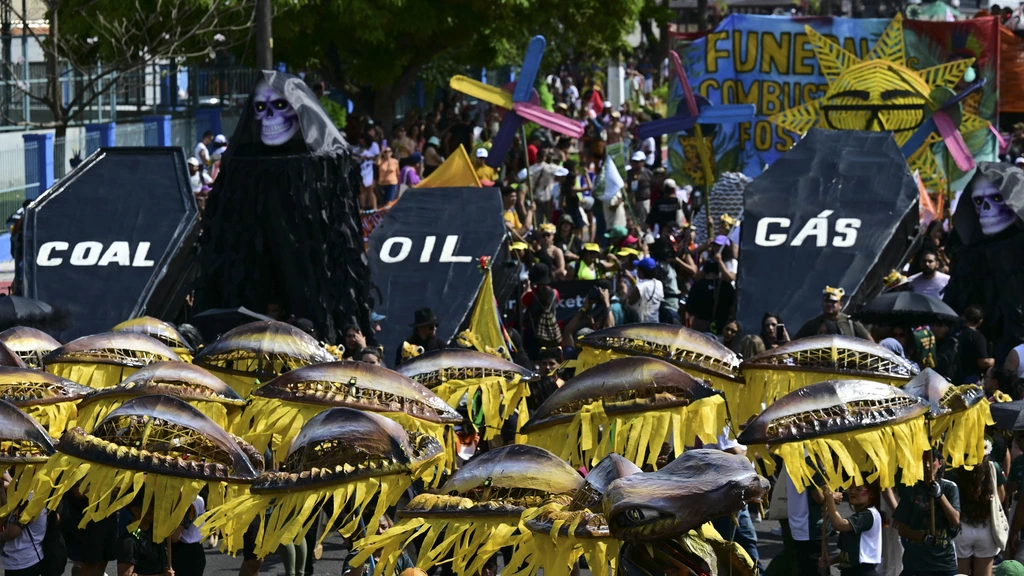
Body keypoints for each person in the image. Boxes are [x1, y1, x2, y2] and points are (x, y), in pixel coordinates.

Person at [893, 451, 961, 576]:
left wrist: (940, 496)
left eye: (931, 460)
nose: (927, 465)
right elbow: (901, 528)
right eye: (923, 461)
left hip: (943, 563)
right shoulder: (911, 488)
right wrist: (922, 537)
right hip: (916, 563)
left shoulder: (950, 487)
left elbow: (955, 520)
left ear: (940, 463)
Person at [950, 456, 1003, 576]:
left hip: (961, 528)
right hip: (986, 528)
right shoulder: (993, 467)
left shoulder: (954, 468)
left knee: (961, 574)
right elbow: (1001, 496)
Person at [820, 482, 883, 576]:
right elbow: (850, 553)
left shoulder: (869, 514)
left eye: (858, 489)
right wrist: (832, 560)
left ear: (871, 494)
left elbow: (839, 525)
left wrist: (829, 497)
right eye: (851, 488)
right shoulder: (858, 516)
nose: (852, 492)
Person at [118, 491, 177, 576]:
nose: (157, 511)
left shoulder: (156, 534)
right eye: (152, 507)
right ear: (136, 510)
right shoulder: (129, 541)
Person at [794, 286, 872, 341]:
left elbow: (871, 345)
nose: (829, 304)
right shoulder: (812, 324)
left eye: (833, 302)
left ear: (840, 305)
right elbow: (794, 344)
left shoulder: (851, 322)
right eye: (826, 301)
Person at [0, 499, 47, 576]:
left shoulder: (29, 501)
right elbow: (7, 515)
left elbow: (11, 534)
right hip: (21, 560)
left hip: (23, 562)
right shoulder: (25, 497)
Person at [959, 305, 995, 384]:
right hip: (969, 378)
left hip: (951, 374)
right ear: (980, 321)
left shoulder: (956, 331)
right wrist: (992, 361)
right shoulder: (977, 337)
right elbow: (982, 362)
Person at [171, 496, 205, 576]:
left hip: (184, 553)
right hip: (197, 551)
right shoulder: (200, 499)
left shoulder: (186, 502)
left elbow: (174, 537)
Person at [628, 257, 664, 324]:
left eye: (638, 269)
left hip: (642, 325)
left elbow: (628, 302)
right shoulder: (659, 284)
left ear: (642, 272)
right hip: (655, 324)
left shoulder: (640, 287)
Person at [626, 151, 652, 224]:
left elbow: (653, 185)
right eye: (634, 161)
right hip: (631, 203)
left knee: (644, 221)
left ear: (643, 162)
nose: (635, 164)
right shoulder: (628, 173)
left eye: (637, 162)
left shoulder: (648, 173)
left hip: (644, 202)